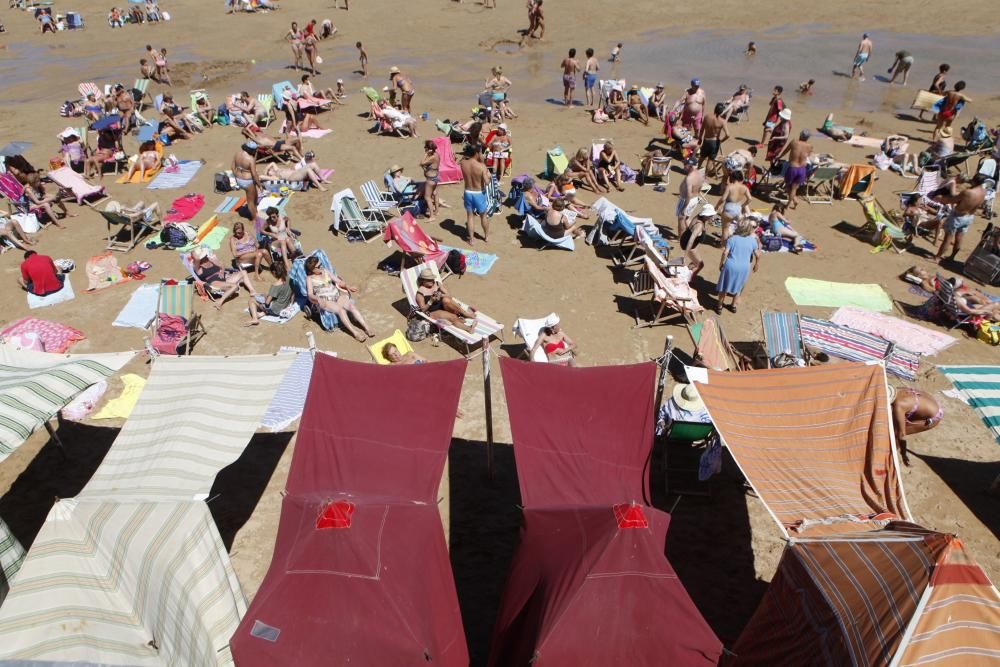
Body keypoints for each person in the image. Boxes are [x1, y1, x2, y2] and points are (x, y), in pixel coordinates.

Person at [304, 256, 375, 342]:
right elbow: (310, 294)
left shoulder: (325, 271)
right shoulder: (309, 279)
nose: (321, 267)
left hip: (336, 295)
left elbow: (338, 281)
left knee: (351, 306)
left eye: (321, 264)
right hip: (326, 300)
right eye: (318, 267)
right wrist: (318, 299)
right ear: (312, 269)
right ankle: (355, 333)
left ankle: (366, 327)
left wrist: (348, 286)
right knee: (341, 310)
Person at [934, 173, 987, 263]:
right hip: (969, 216)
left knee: (948, 238)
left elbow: (953, 200)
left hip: (958, 216)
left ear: (974, 181)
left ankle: (937, 258)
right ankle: (952, 257)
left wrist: (941, 199)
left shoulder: (968, 192)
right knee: (959, 238)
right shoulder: (983, 191)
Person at [716, 219, 761, 314]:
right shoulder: (752, 240)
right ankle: (733, 306)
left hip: (731, 265)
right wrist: (757, 264)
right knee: (739, 287)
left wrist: (721, 264)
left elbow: (725, 252)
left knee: (724, 287)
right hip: (744, 267)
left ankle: (719, 306)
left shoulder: (732, 239)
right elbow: (758, 254)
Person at [890, 386, 942, 465]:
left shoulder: (899, 405)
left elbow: (902, 435)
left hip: (933, 418)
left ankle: (890, 457)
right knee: (895, 424)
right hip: (928, 402)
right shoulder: (898, 389)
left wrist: (903, 454)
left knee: (896, 434)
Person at [191, 248, 257, 309]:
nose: (206, 257)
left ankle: (252, 290)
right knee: (234, 286)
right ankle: (219, 302)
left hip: (224, 278)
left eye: (205, 255)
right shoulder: (198, 268)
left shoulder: (210, 260)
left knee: (243, 272)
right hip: (214, 282)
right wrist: (193, 251)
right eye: (203, 256)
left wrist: (222, 272)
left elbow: (222, 265)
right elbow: (196, 259)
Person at [415, 268, 478, 332]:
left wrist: (441, 295)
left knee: (446, 300)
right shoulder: (420, 293)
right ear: (423, 280)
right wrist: (430, 301)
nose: (431, 281)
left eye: (432, 278)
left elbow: (450, 296)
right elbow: (423, 309)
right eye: (429, 280)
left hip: (443, 306)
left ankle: (465, 314)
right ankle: (469, 328)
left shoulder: (437, 284)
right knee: (453, 317)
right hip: (433, 311)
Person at [246, 261, 293, 326]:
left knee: (252, 300)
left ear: (274, 272)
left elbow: (267, 303)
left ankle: (255, 318)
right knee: (265, 295)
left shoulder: (275, 285)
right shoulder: (289, 278)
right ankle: (262, 314)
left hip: (275, 310)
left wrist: (264, 299)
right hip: (285, 305)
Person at [461, 144, 491, 244]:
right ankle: (486, 237)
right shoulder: (481, 167)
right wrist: (488, 174)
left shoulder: (463, 163)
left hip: (468, 192)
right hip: (479, 193)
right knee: (483, 216)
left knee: (470, 216)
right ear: (477, 153)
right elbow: (487, 182)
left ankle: (472, 239)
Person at [778, 130, 813, 209]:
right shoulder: (810, 146)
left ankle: (790, 203)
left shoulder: (794, 142)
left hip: (793, 167)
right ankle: (793, 200)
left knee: (787, 185)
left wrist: (779, 157)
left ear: (800, 135)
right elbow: (809, 155)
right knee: (794, 188)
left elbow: (785, 151)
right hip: (802, 169)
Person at [715, 173, 752, 243]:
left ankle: (723, 245)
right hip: (738, 209)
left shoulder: (730, 186)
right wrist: (743, 205)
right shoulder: (744, 187)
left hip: (729, 209)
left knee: (725, 229)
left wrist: (717, 206)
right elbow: (750, 199)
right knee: (739, 230)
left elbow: (723, 199)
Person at [680, 204, 713, 279]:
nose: (712, 217)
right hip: (690, 246)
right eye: (710, 215)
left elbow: (687, 220)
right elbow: (691, 240)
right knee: (700, 265)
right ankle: (688, 280)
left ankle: (689, 271)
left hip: (685, 239)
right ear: (705, 215)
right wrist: (685, 256)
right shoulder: (699, 226)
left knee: (695, 262)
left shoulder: (698, 216)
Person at [233, 142, 261, 221]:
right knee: (251, 201)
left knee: (254, 195)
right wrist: (260, 185)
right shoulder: (250, 159)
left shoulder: (237, 154)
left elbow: (232, 167)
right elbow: (254, 174)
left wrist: (237, 176)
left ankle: (255, 212)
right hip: (248, 181)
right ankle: (255, 219)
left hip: (239, 179)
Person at [698, 103, 729, 174]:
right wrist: (721, 141)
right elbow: (728, 135)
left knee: (702, 157)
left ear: (715, 109)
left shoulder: (707, 117)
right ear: (721, 112)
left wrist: (700, 138)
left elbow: (702, 129)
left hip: (706, 141)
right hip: (714, 143)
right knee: (710, 160)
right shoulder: (722, 121)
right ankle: (705, 176)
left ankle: (697, 170)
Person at [676, 159, 705, 235]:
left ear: (690, 166)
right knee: (687, 218)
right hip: (694, 199)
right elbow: (701, 187)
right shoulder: (700, 174)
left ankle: (680, 238)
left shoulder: (690, 178)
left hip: (686, 200)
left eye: (686, 165)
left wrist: (685, 207)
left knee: (681, 219)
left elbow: (689, 194)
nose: (684, 166)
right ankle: (692, 235)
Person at [420, 140, 441, 220]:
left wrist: (425, 154)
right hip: (435, 177)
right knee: (435, 193)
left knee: (427, 197)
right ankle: (437, 211)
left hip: (431, 179)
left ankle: (432, 216)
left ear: (429, 148)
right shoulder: (437, 154)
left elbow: (421, 163)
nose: (424, 148)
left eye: (425, 147)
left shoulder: (432, 157)